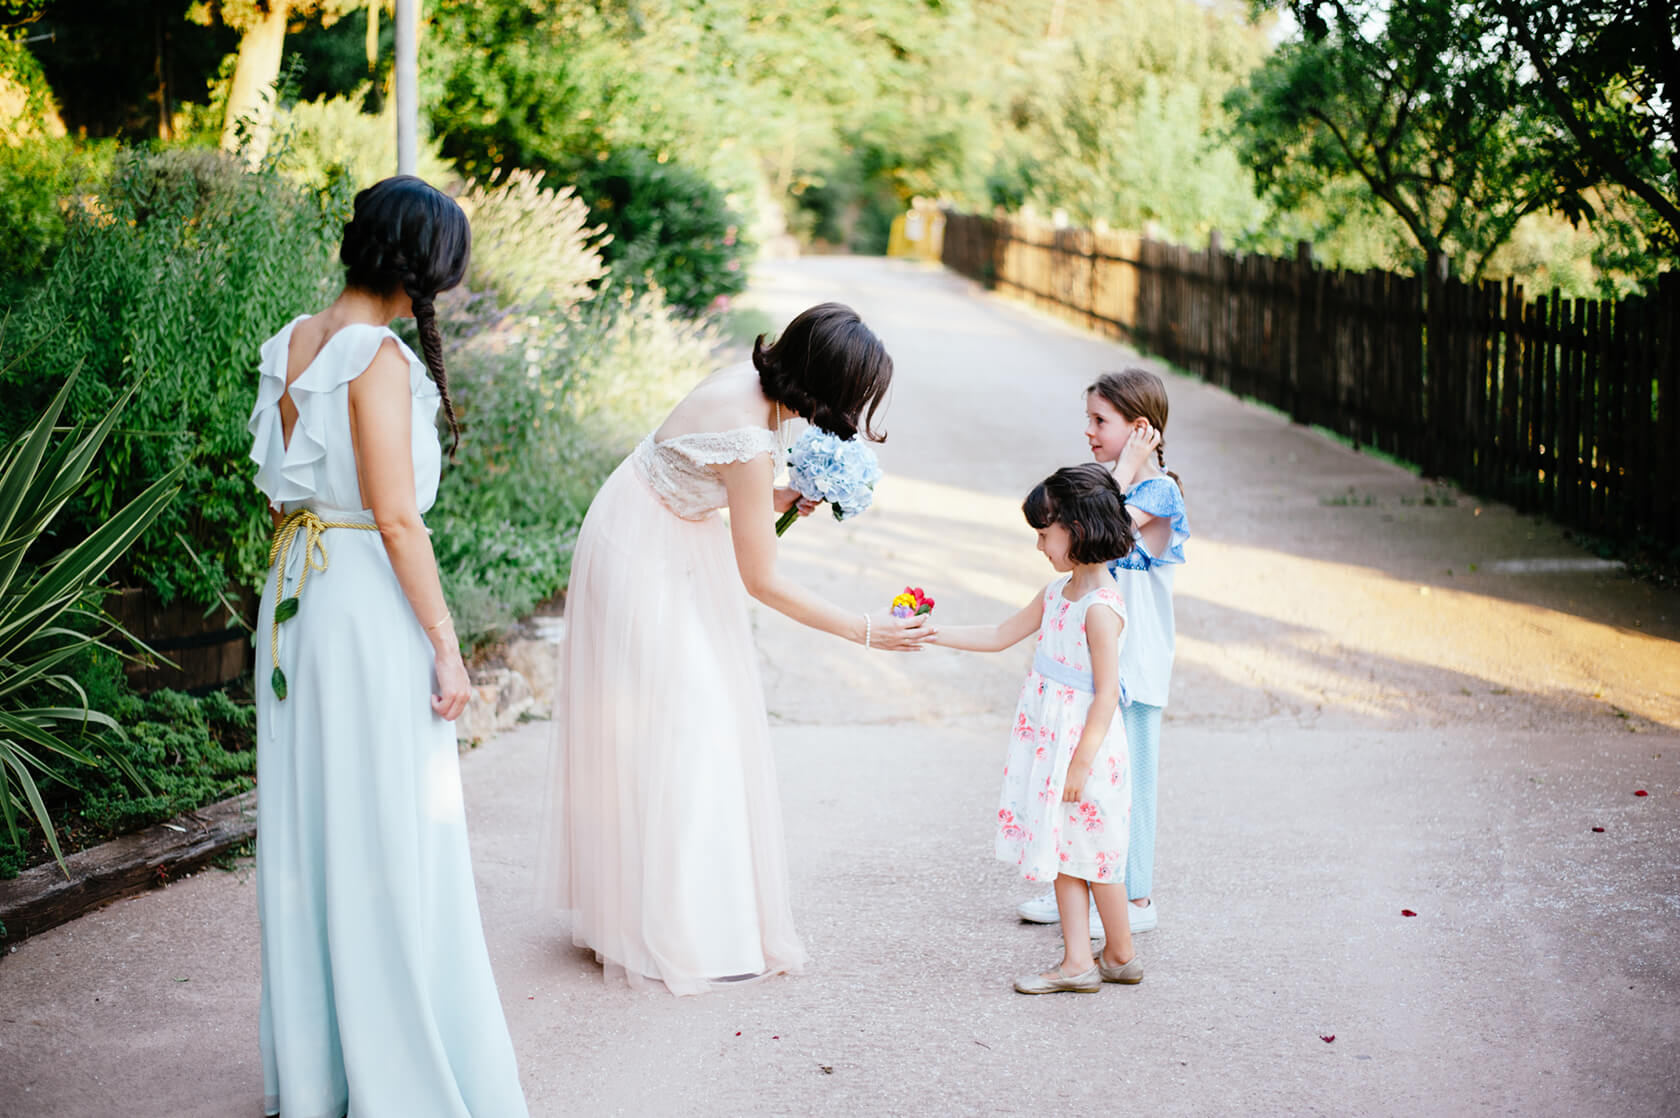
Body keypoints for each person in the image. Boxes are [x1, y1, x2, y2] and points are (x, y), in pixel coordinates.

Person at [537, 302, 935, 996]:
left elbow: (710, 480)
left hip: (659, 524)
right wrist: (865, 629)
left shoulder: (753, 387)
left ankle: (651, 913)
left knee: (686, 720)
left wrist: (778, 494)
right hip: (640, 547)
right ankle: (670, 926)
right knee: (692, 724)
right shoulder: (751, 435)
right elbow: (762, 578)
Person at [247, 176, 528, 1117]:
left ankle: (319, 1071)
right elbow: (399, 520)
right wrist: (447, 648)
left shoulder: (292, 338)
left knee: (313, 827)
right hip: (364, 601)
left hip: (296, 591)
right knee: (387, 828)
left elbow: (288, 492)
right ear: (427, 265)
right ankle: (398, 1071)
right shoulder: (379, 357)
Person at [933, 464, 1142, 993]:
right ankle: (1080, 961)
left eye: (1045, 534)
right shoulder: (1057, 594)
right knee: (1065, 851)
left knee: (1097, 855)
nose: (1039, 546)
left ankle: (1119, 950)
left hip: (1083, 750)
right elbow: (1002, 633)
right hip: (1053, 743)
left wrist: (1080, 763)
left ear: (1078, 528)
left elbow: (1105, 694)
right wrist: (932, 633)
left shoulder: (1099, 608)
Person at [1016, 369, 1188, 937]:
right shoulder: (1115, 483)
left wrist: (1130, 467)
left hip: (1133, 667)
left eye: (1100, 420)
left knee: (1129, 786)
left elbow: (1104, 524)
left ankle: (1135, 898)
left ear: (1140, 430)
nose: (1088, 431)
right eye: (1088, 419)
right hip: (1098, 663)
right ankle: (1080, 884)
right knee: (1088, 785)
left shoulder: (1157, 490)